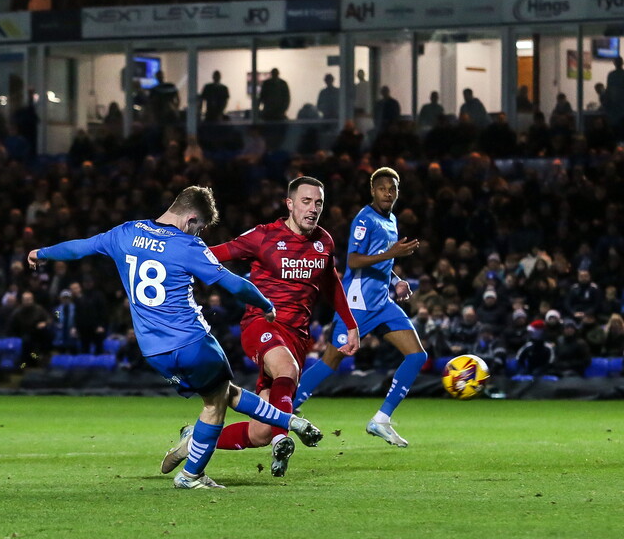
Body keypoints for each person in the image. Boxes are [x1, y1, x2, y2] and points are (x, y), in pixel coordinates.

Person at [27, 186, 324, 490]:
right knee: (216, 404)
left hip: (153, 351)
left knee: (221, 393)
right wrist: (265, 304)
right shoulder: (187, 246)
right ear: (191, 218)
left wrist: (42, 252)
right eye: (200, 228)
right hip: (191, 342)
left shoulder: (125, 233)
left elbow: (80, 247)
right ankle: (191, 474)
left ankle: (289, 424)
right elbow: (234, 284)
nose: (200, 234)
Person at [208, 177, 359, 477]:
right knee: (286, 371)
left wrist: (351, 324)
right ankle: (284, 437)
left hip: (297, 336)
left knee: (259, 431)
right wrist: (172, 259)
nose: (313, 209)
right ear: (289, 204)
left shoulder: (324, 242)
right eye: (306, 201)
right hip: (261, 324)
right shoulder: (263, 236)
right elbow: (213, 255)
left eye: (318, 203)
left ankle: (197, 438)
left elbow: (331, 284)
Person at [294, 166, 425, 448]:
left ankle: (381, 420)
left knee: (416, 356)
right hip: (358, 305)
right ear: (372, 191)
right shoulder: (365, 220)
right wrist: (391, 254)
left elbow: (382, 261)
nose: (388, 193)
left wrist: (397, 279)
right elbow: (353, 260)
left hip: (382, 302)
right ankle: (285, 408)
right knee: (332, 360)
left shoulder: (391, 220)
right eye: (382, 188)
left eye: (392, 188)